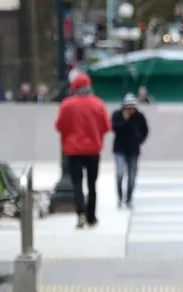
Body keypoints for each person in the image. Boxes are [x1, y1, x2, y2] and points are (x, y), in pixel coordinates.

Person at [54, 72, 112, 229]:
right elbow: (106, 127)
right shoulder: (98, 104)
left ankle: (80, 213)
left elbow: (59, 126)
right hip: (93, 150)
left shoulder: (67, 105)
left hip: (73, 150)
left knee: (77, 183)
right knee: (92, 184)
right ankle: (91, 217)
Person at [111, 93, 149, 209]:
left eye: (132, 107)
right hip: (120, 149)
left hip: (133, 150)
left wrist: (139, 140)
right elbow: (115, 128)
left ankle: (129, 199)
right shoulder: (117, 115)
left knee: (132, 176)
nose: (130, 110)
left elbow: (145, 130)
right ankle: (120, 197)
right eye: (128, 107)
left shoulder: (139, 116)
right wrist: (124, 119)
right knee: (120, 174)